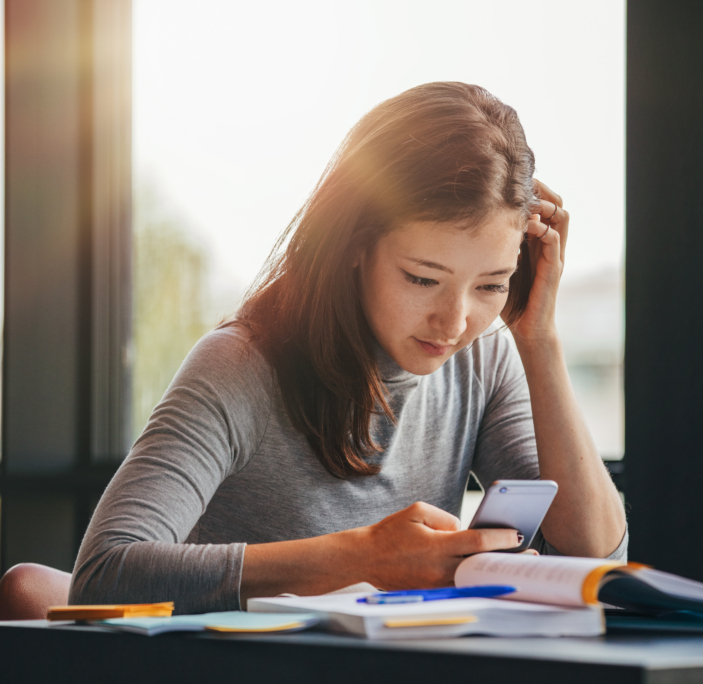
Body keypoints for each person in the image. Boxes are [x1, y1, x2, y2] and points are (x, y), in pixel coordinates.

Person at [70, 82, 627, 614]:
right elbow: (104, 575)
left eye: (490, 285)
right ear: (355, 245)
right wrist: (361, 559)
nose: (455, 322)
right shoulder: (240, 366)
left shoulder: (483, 358)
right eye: (421, 278)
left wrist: (541, 340)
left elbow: (599, 556)